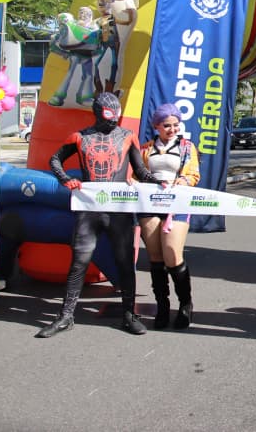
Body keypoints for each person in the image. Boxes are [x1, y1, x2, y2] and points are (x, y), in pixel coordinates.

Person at [37, 92, 161, 338]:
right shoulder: (80, 137)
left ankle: (129, 315)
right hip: (89, 210)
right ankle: (65, 316)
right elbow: (55, 160)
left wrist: (163, 185)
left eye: (117, 115)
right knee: (79, 262)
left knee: (125, 262)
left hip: (119, 210)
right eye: (108, 115)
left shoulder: (127, 137)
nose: (113, 120)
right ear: (97, 113)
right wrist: (66, 179)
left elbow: (140, 171)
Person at [139, 103, 200, 330]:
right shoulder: (146, 148)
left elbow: (193, 173)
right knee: (155, 258)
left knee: (172, 253)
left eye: (176, 125)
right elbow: (137, 172)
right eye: (167, 126)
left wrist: (181, 182)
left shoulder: (186, 147)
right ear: (157, 126)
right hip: (150, 204)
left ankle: (185, 305)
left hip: (177, 204)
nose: (172, 129)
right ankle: (162, 306)